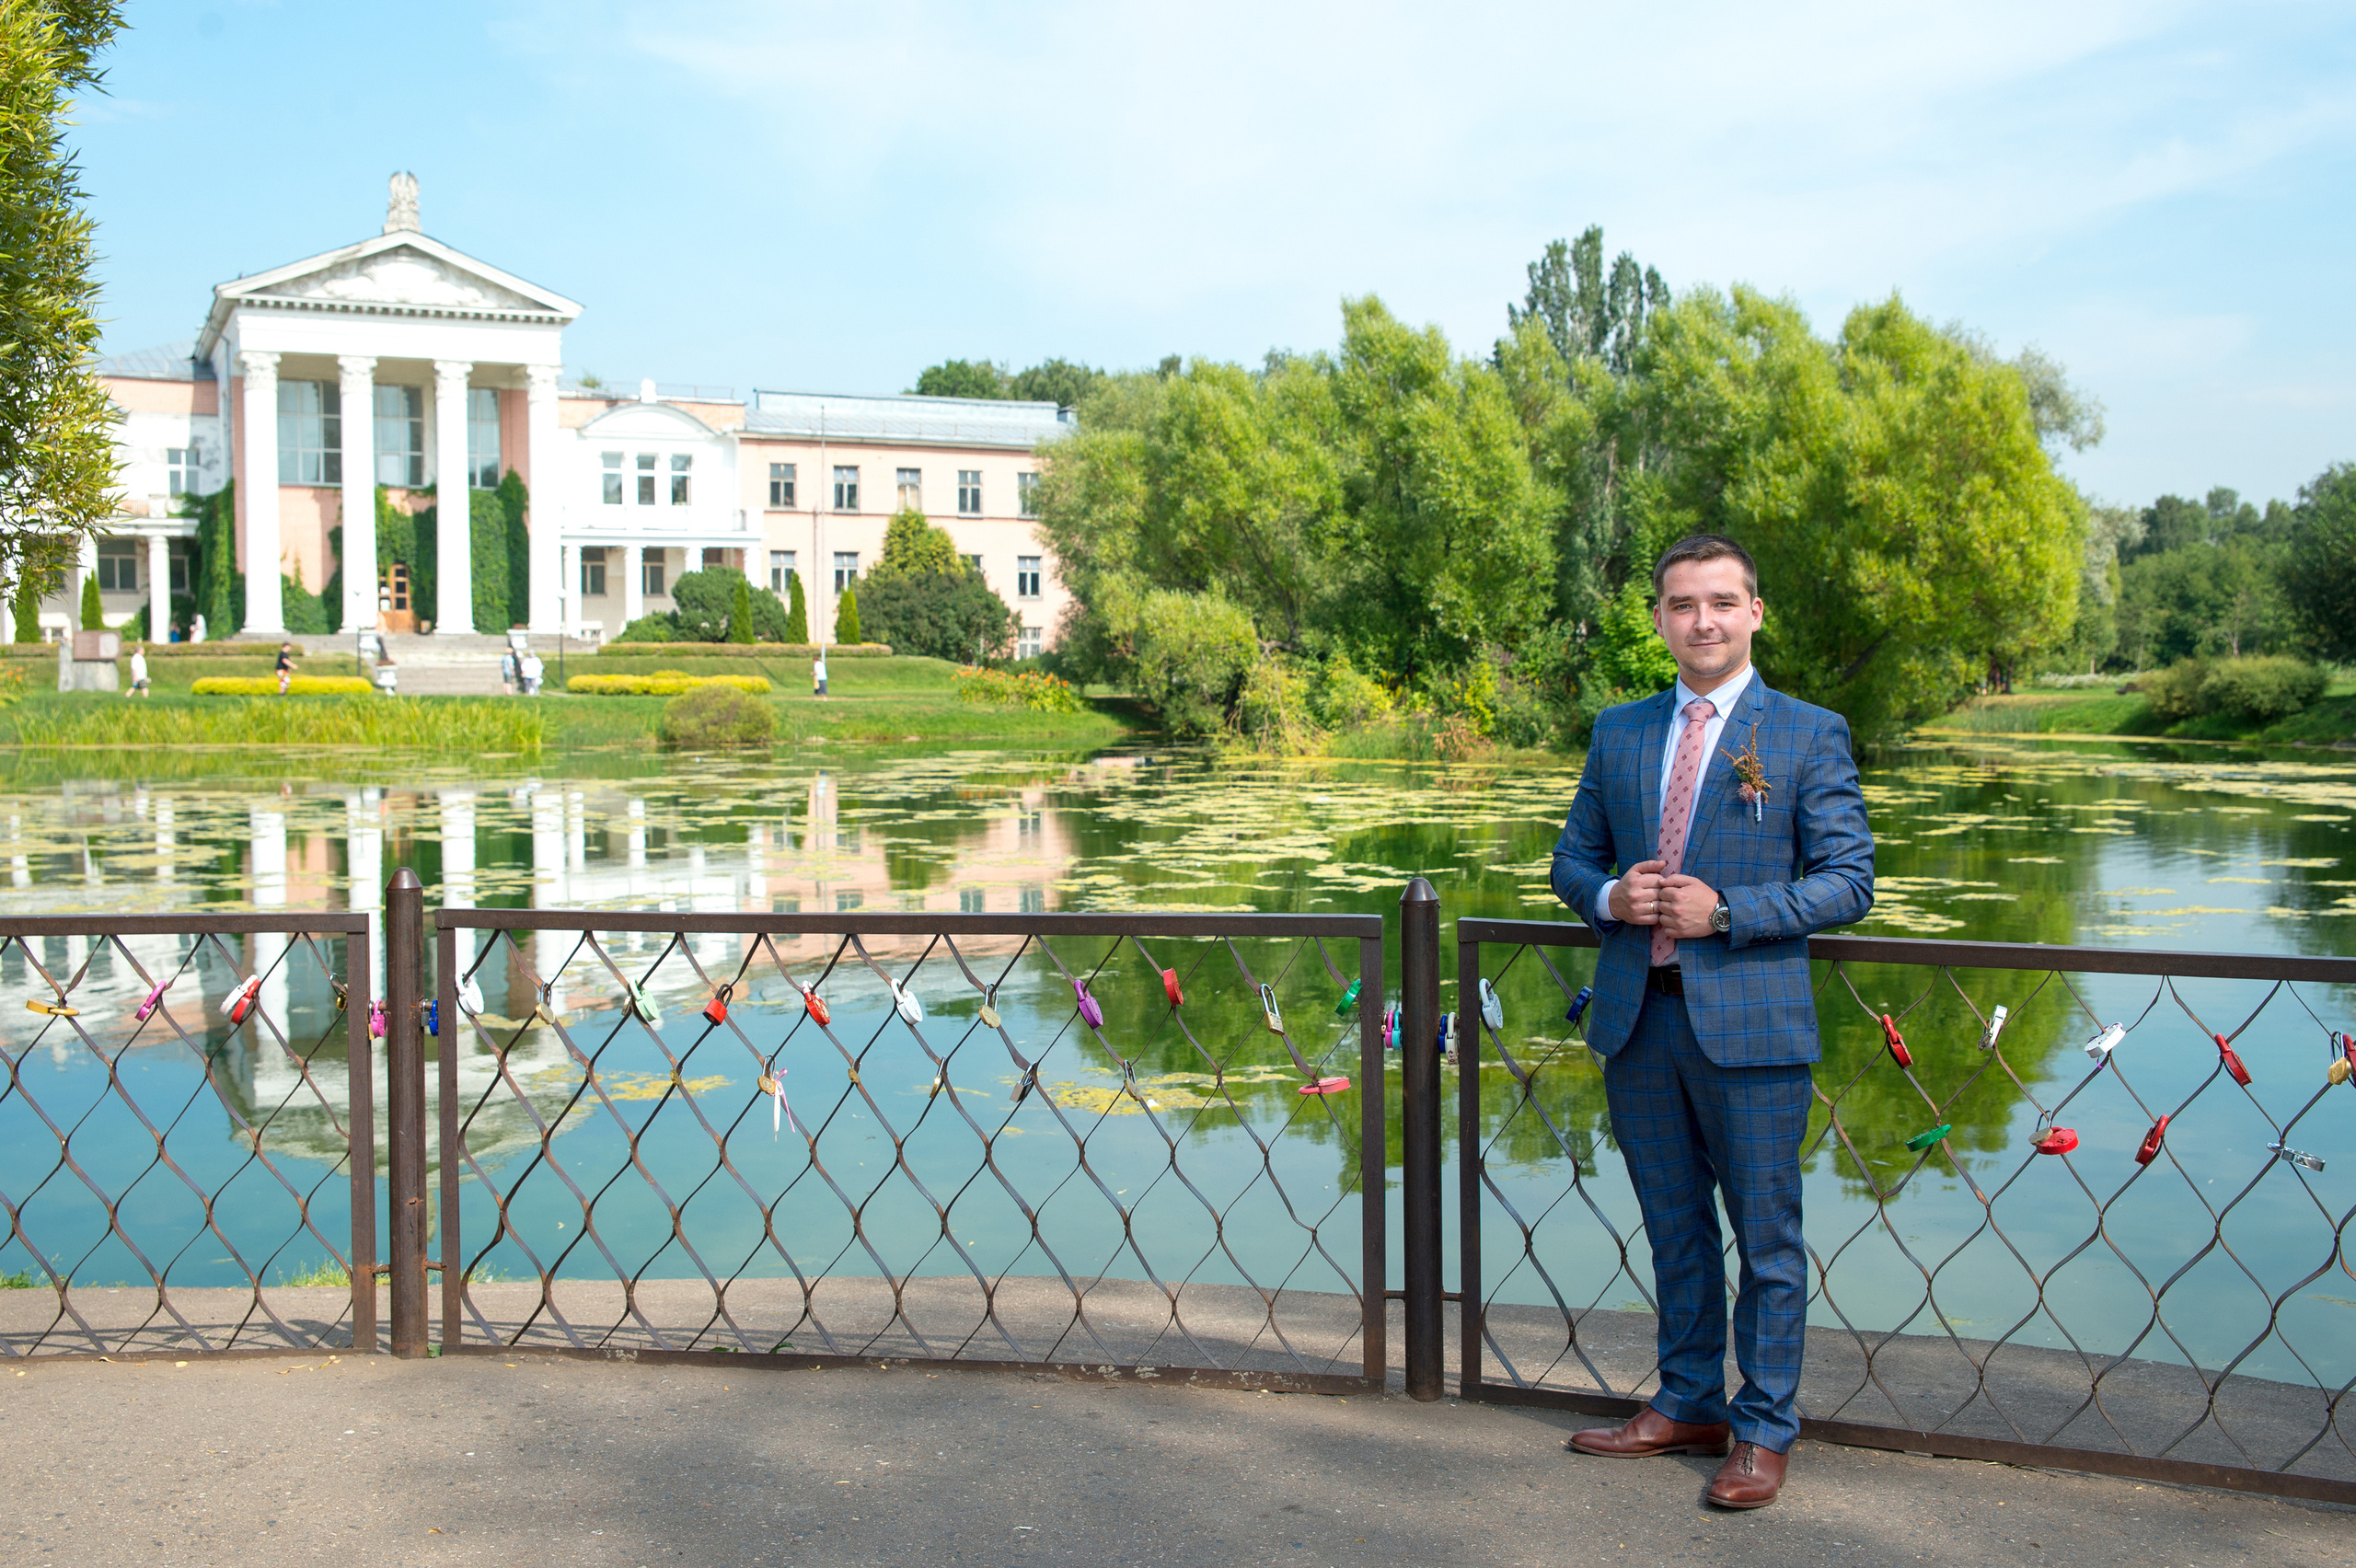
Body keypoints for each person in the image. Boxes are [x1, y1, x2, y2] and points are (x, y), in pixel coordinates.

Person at [1548, 534, 1874, 1511]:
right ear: (1658, 618)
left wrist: (1727, 913)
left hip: (1754, 1029)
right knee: (1675, 1229)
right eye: (1683, 605)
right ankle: (1687, 1401)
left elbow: (1848, 881)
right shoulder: (1619, 730)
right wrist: (1611, 896)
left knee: (1767, 1240)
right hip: (1637, 1023)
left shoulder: (1809, 732)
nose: (1703, 621)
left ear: (1754, 613)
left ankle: (1763, 1429)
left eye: (1722, 603)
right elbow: (1569, 861)